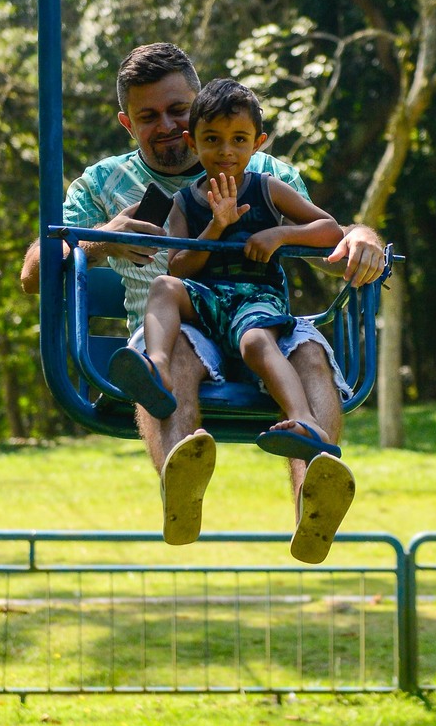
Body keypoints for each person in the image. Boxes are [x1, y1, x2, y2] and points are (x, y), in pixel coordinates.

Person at [20, 42, 385, 558]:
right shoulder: (103, 183)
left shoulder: (260, 171)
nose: (167, 125)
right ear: (127, 123)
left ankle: (315, 500)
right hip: (182, 323)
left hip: (259, 316)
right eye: (149, 116)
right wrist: (100, 237)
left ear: (195, 108)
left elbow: (328, 228)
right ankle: (180, 484)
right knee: (177, 352)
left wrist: (363, 236)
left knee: (308, 351)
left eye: (177, 109)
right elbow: (34, 274)